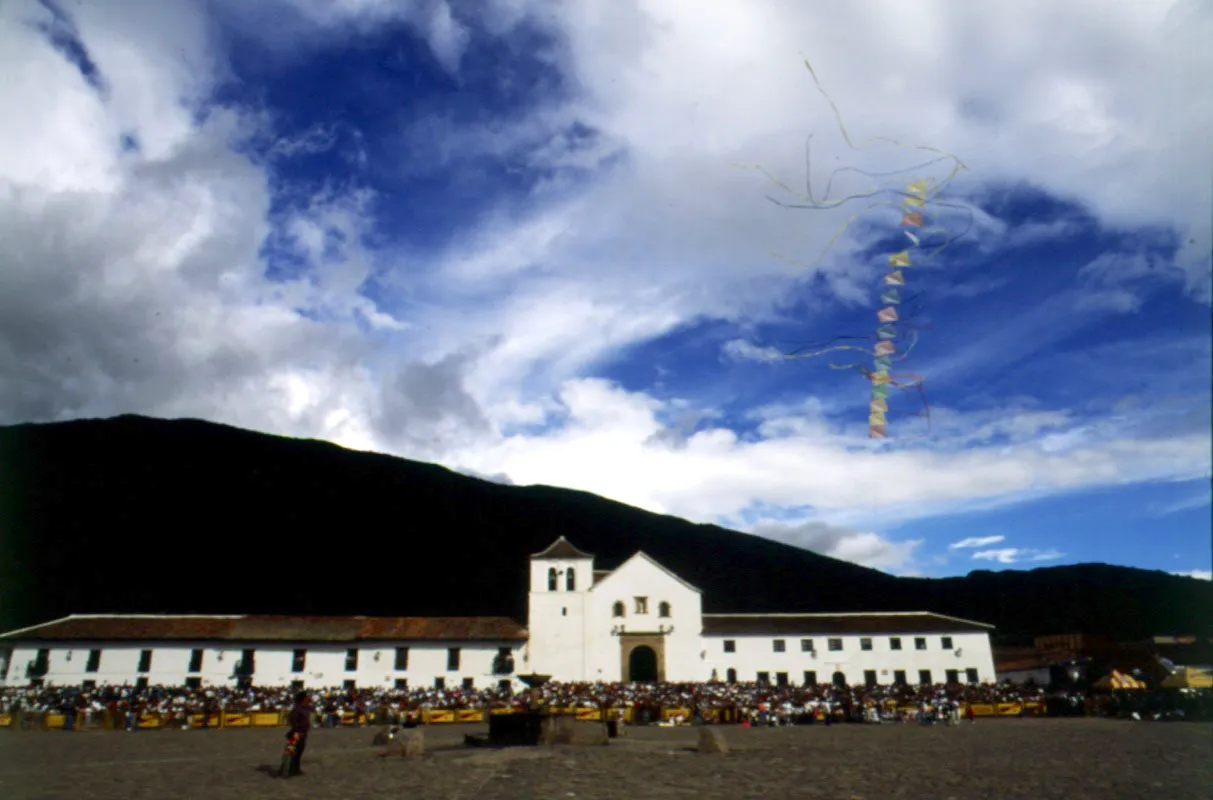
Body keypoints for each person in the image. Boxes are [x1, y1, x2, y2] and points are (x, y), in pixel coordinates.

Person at [286, 692, 312, 777]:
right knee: (292, 751)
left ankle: (296, 768)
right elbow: (292, 719)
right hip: (296, 733)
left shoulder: (305, 708)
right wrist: (297, 729)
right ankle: (289, 769)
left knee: (299, 752)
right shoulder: (297, 709)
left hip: (303, 733)